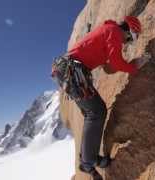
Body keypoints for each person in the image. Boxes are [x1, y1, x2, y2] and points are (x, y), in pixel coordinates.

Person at [51, 16, 145, 179]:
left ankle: (87, 159)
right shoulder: (114, 31)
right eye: (129, 38)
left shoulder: (107, 31)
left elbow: (109, 66)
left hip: (69, 70)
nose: (127, 42)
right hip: (73, 71)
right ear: (128, 30)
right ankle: (88, 162)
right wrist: (135, 66)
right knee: (96, 112)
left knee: (92, 113)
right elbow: (116, 62)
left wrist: (118, 64)